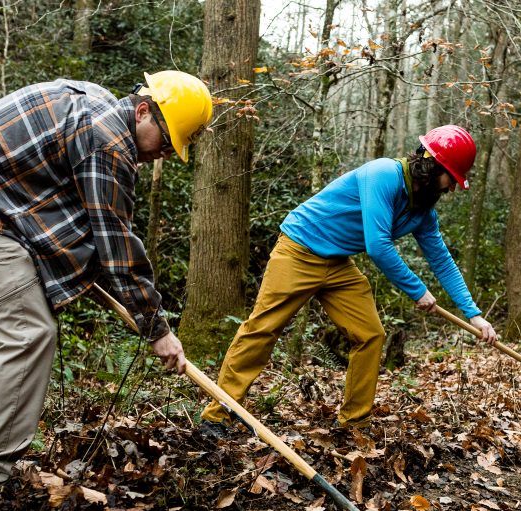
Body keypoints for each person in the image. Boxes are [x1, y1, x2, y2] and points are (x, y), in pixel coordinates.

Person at [0, 70, 213, 503]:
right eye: (165, 140)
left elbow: (68, 213)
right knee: (27, 335)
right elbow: (116, 244)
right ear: (143, 110)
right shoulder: (109, 143)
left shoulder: (96, 100)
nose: (163, 153)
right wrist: (157, 330)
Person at [200, 125, 497, 435]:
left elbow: (442, 261)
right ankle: (218, 414)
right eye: (452, 177)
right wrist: (417, 291)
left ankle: (354, 423)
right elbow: (378, 245)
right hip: (300, 248)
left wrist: (474, 315)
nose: (451, 188)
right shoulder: (383, 174)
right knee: (262, 328)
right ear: (434, 165)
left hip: (338, 263)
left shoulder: (423, 210)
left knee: (370, 335)